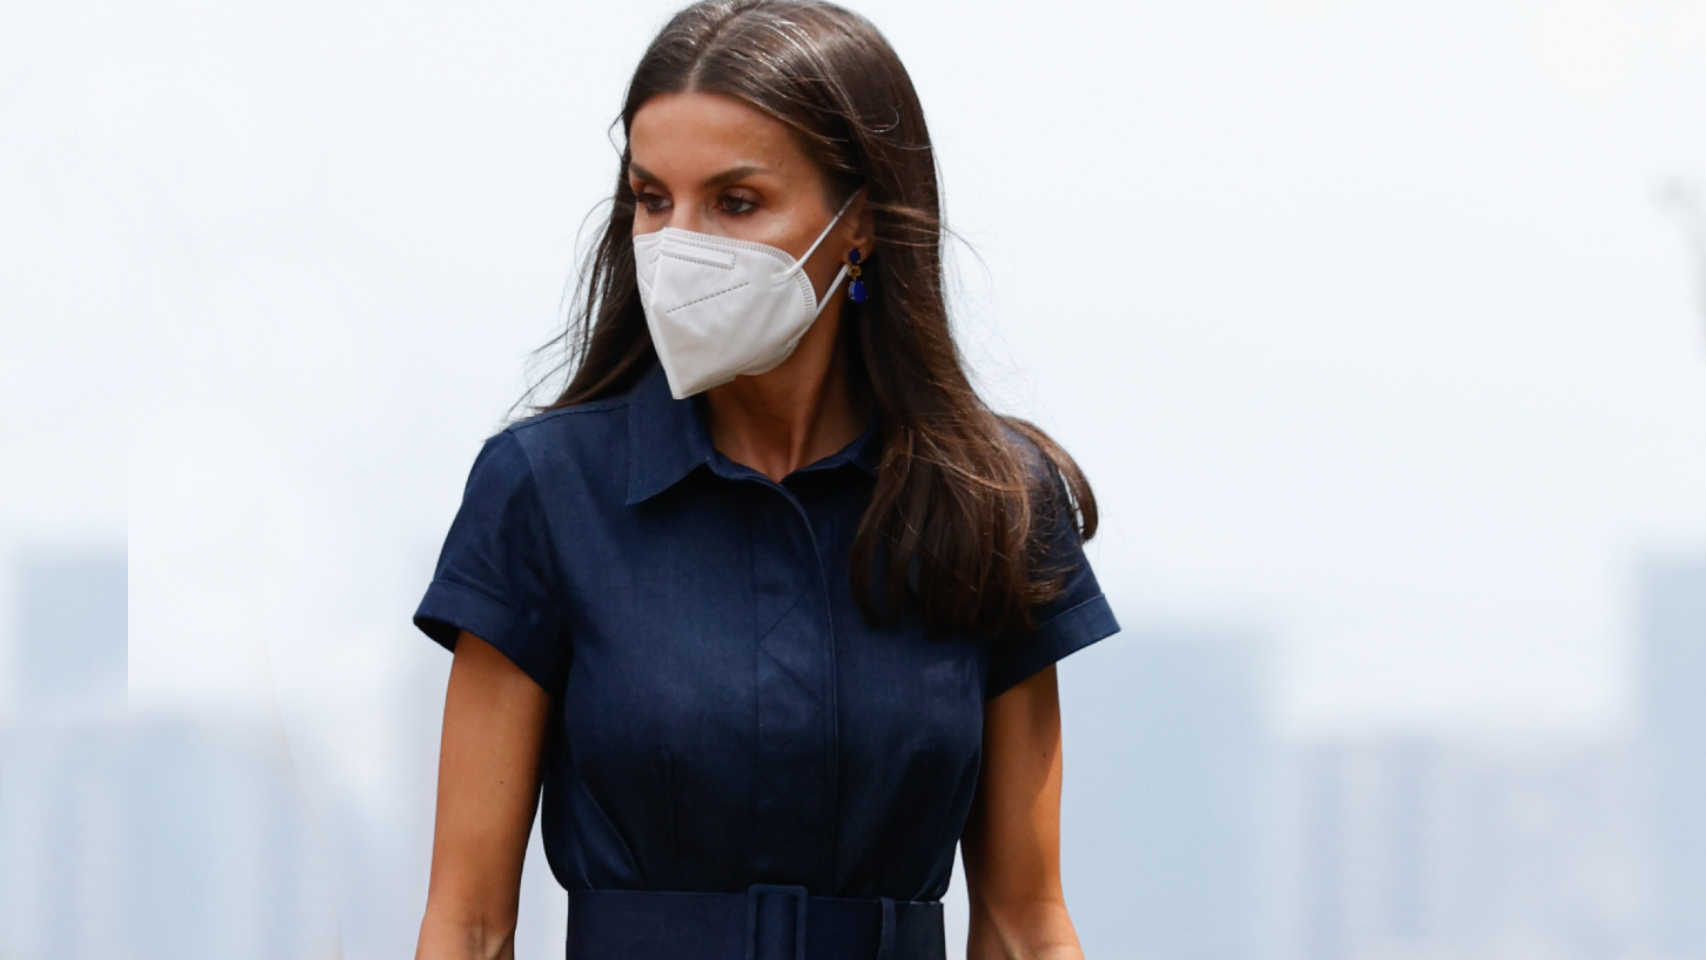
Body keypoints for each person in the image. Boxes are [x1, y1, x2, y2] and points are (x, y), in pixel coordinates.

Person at [411, 2, 1120, 958]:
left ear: (859, 219)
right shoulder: (545, 491)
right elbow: (469, 923)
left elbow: (1024, 920)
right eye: (653, 200)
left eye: (735, 203)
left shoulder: (992, 500)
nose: (677, 245)